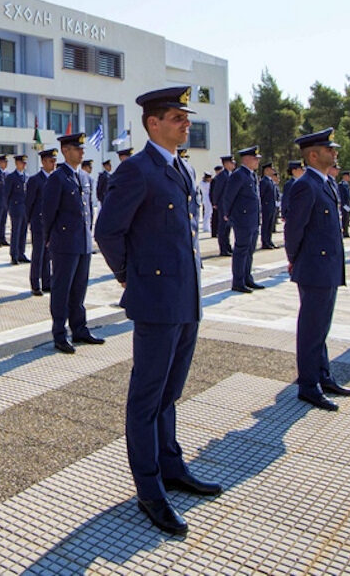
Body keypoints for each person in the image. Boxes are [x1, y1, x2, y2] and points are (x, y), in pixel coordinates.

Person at [96, 85, 218, 537]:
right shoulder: (136, 170)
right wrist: (131, 275)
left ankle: (172, 467)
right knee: (146, 399)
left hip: (186, 298)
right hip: (156, 301)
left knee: (170, 393)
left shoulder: (182, 167)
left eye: (186, 117)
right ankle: (149, 489)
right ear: (153, 123)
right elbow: (108, 231)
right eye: (177, 117)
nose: (186, 123)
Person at [286, 129, 350, 411]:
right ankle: (308, 384)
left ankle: (322, 375)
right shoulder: (306, 185)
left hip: (327, 266)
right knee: (311, 328)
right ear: (313, 155)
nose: (335, 152)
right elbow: (294, 229)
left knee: (321, 326)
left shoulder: (326, 183)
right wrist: (294, 258)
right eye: (329, 149)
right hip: (314, 266)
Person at [42, 133, 105, 354]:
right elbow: (48, 213)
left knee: (79, 289)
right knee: (62, 290)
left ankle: (79, 328)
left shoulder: (85, 177)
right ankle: (60, 334)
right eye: (77, 149)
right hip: (64, 243)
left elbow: (88, 211)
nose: (81, 152)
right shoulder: (57, 178)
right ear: (65, 151)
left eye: (82, 149)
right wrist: (50, 238)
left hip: (83, 242)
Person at [222, 146, 262, 292]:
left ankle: (247, 278)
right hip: (242, 219)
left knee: (250, 249)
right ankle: (238, 281)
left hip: (253, 219)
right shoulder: (238, 175)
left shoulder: (251, 175)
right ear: (247, 159)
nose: (257, 162)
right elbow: (229, 196)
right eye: (255, 159)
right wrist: (227, 213)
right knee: (241, 250)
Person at [25, 148, 56, 296]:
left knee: (48, 255)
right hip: (39, 223)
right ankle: (35, 284)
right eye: (51, 161)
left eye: (55, 161)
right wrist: (29, 221)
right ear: (43, 162)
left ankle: (47, 282)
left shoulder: (55, 179)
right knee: (38, 254)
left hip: (52, 224)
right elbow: (29, 203)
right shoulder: (35, 180)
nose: (53, 164)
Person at [5, 154, 30, 264]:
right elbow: (7, 194)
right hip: (15, 208)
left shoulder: (27, 176)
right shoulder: (11, 177)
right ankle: (14, 255)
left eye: (25, 163)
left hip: (25, 208)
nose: (24, 165)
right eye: (22, 163)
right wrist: (10, 208)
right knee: (16, 231)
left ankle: (21, 253)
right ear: (17, 163)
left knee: (23, 231)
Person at [210, 155, 234, 256]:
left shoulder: (230, 174)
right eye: (232, 162)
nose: (234, 164)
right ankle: (223, 249)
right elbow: (217, 191)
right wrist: (215, 203)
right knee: (223, 228)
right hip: (222, 205)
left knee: (228, 228)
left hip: (229, 205)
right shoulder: (222, 176)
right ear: (226, 164)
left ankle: (227, 246)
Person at [258, 162, 279, 249]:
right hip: (266, 206)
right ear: (266, 170)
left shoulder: (270, 181)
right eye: (271, 169)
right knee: (266, 224)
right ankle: (265, 242)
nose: (273, 170)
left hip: (271, 206)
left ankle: (269, 240)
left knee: (270, 225)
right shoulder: (264, 181)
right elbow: (261, 195)